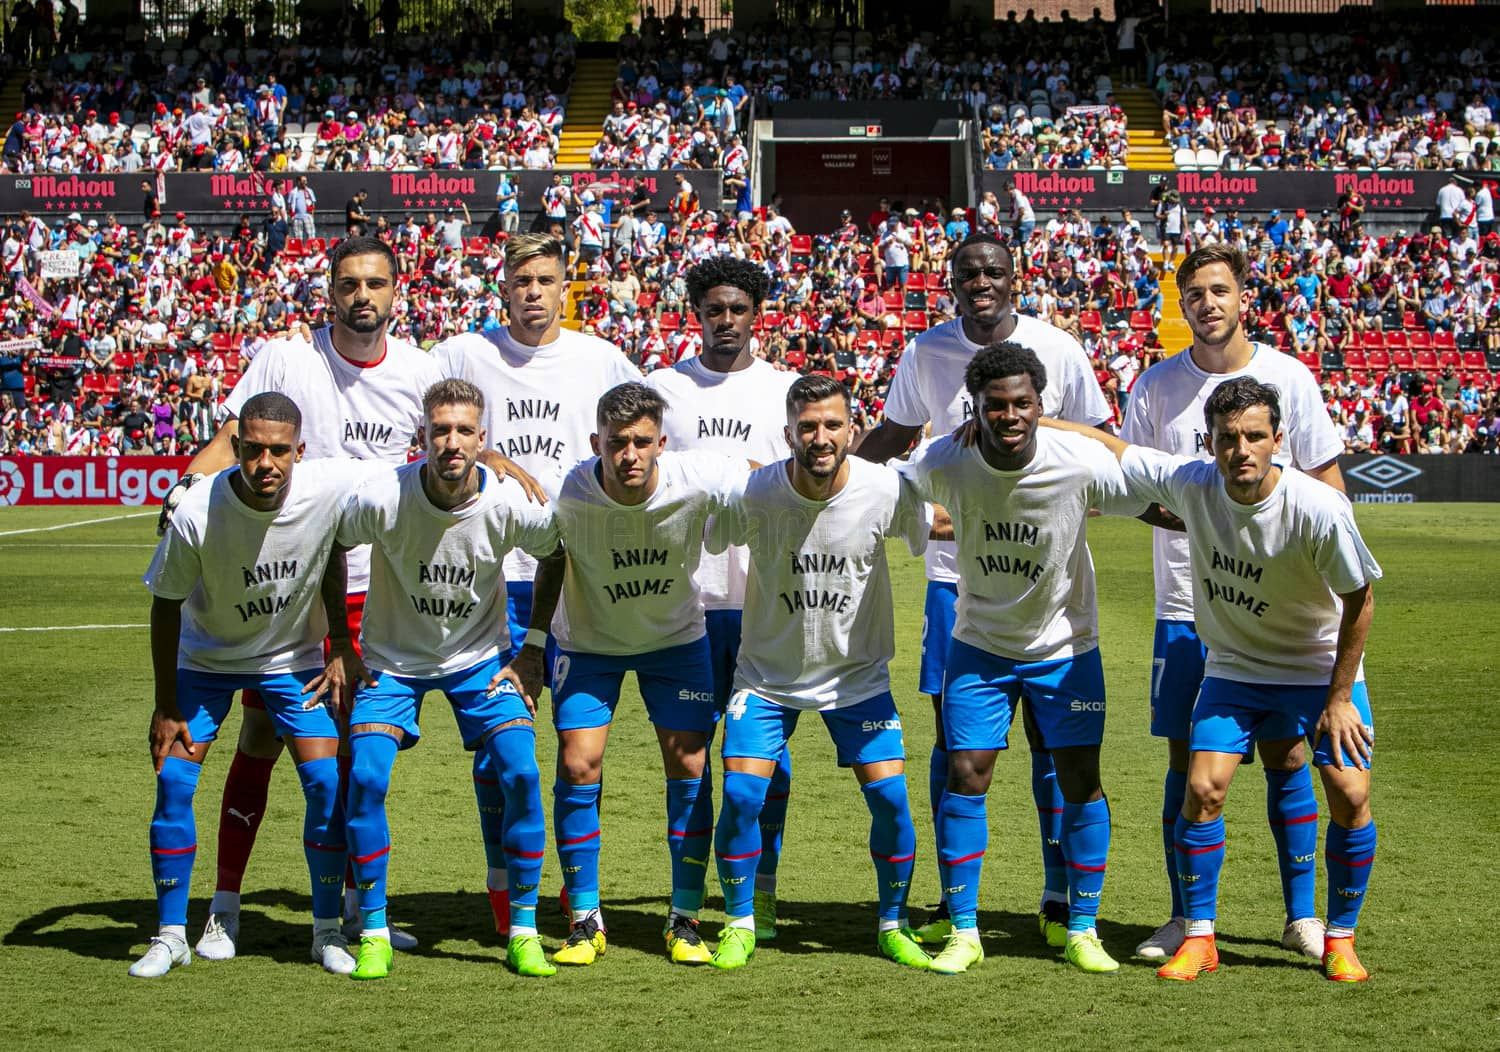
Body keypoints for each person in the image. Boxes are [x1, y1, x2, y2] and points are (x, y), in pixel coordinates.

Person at [160, 236, 535, 960]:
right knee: (262, 738)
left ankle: (360, 913)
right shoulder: (286, 359)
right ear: (330, 290)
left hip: (381, 588)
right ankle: (225, 908)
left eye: (375, 284)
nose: (363, 296)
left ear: (397, 292)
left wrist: (501, 462)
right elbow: (231, 438)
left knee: (348, 758)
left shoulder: (420, 369)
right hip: (295, 584)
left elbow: (455, 438)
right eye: (349, 283)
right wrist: (183, 487)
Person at [1053, 377, 1382, 983]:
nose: (1241, 450)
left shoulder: (1318, 508)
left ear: (1278, 440)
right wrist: (1033, 424)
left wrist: (1340, 698)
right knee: (1202, 788)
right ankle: (1200, 938)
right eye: (1228, 438)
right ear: (1210, 442)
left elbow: (1359, 601)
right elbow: (1112, 449)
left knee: (1351, 794)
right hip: (1235, 668)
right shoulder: (1192, 483)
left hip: (1316, 670)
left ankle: (1340, 937)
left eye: (1254, 436)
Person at [853, 232, 1112, 948]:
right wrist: (833, 484)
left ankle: (1059, 897)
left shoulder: (1058, 348)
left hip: (1045, 577)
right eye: (968, 273)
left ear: (1015, 277)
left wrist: (1031, 425)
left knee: (1053, 746)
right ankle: (953, 898)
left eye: (994, 271)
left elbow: (1096, 441)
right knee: (957, 742)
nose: (982, 282)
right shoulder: (926, 351)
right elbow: (894, 435)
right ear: (953, 282)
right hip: (954, 578)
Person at [1121, 244, 1347, 963]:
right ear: (1181, 305)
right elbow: (1132, 487)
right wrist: (1199, 520)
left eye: (1219, 290)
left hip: (1278, 614)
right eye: (1194, 294)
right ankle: (1185, 918)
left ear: (1244, 297)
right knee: (1187, 762)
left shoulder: (1290, 378)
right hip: (1185, 605)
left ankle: (1301, 915)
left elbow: (1329, 488)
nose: (1207, 304)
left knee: (1288, 754)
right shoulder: (1156, 387)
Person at [898, 344, 1144, 976]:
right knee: (966, 774)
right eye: (996, 405)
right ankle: (964, 930)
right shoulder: (944, 457)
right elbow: (884, 492)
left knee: (1079, 779)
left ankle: (1082, 926)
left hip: (1065, 647)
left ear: (1041, 405)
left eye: (1023, 403)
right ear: (974, 408)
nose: (1010, 415)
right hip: (980, 644)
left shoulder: (1077, 459)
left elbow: (1155, 487)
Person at [433, 232, 640, 933]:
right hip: (491, 579)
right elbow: (425, 425)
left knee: (579, 746)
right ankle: (505, 886)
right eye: (521, 280)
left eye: (545, 280)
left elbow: (642, 431)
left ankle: (579, 893)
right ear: (503, 286)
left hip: (580, 576)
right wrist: (487, 453)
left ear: (563, 287)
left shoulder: (601, 359)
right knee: (501, 747)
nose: (532, 292)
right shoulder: (464, 354)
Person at [507, 382, 749, 967]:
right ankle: (584, 920)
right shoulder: (570, 490)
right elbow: (549, 554)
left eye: (642, 441)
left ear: (662, 442)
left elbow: (764, 477)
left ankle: (684, 918)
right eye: (617, 442)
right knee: (576, 764)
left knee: (690, 765)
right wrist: (534, 647)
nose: (630, 455)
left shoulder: (696, 477)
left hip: (676, 643)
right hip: (590, 646)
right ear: (597, 443)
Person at [704, 374, 934, 972]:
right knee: (742, 794)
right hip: (766, 677)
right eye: (807, 427)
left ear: (852, 430)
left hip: (857, 679)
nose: (821, 437)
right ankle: (741, 920)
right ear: (788, 434)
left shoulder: (884, 488)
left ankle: (893, 923)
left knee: (892, 802)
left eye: (833, 425)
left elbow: (934, 526)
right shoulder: (756, 493)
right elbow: (708, 530)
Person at [133, 392, 368, 978]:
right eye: (255, 449)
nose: (267, 463)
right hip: (206, 662)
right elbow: (165, 605)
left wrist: (340, 643)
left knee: (326, 783)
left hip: (290, 662)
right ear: (235, 447)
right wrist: (166, 704)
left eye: (279, 451)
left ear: (300, 451)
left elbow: (410, 482)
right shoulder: (197, 511)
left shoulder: (327, 487)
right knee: (174, 782)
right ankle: (171, 935)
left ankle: (326, 931)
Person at [335, 379, 560, 980]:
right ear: (423, 437)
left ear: (482, 439)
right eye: (440, 431)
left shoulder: (508, 502)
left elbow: (556, 553)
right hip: (392, 662)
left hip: (480, 660)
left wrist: (533, 648)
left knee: (521, 771)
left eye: (464, 431)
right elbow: (335, 544)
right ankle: (374, 931)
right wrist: (341, 644)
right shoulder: (384, 497)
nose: (452, 442)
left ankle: (523, 930)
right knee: (366, 776)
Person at [644, 257, 798, 941]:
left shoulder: (785, 391)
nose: (726, 321)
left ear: (756, 314)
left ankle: (759, 892)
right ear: (697, 315)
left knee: (766, 759)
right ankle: (686, 900)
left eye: (738, 309)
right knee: (689, 756)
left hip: (767, 598)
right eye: (714, 310)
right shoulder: (663, 388)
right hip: (686, 599)